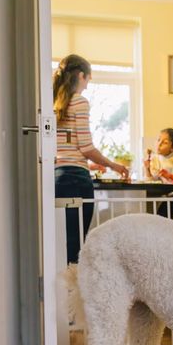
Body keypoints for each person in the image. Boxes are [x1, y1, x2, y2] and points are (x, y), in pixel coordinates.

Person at [53, 54, 129, 263]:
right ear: (80, 75)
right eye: (88, 79)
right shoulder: (79, 101)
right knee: (77, 242)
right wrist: (114, 165)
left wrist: (90, 162)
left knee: (62, 241)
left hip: (57, 177)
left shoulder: (54, 103)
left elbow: (65, 148)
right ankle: (76, 291)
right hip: (76, 179)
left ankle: (62, 290)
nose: (87, 85)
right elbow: (85, 147)